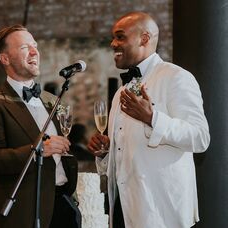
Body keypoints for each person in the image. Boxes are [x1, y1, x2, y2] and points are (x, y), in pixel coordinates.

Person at [87, 12, 210, 228]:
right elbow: (125, 155)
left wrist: (152, 118)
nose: (113, 43)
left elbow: (200, 138)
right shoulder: (120, 93)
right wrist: (105, 152)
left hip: (161, 213)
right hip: (124, 211)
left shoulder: (176, 77)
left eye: (120, 37)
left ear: (144, 38)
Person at [0, 25, 79, 228]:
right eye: (24, 47)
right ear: (5, 59)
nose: (34, 51)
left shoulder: (53, 101)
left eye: (35, 45)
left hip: (63, 208)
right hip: (25, 212)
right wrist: (38, 150)